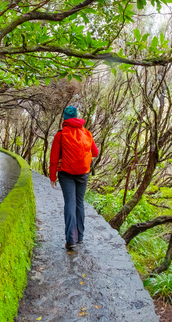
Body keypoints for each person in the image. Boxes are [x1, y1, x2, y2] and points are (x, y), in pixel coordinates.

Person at [49, 106, 98, 251]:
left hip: (66, 174)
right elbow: (95, 152)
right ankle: (80, 237)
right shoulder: (86, 133)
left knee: (69, 203)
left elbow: (53, 158)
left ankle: (71, 240)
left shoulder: (61, 134)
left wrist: (52, 176)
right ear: (76, 116)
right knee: (79, 203)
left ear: (64, 117)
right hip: (84, 173)